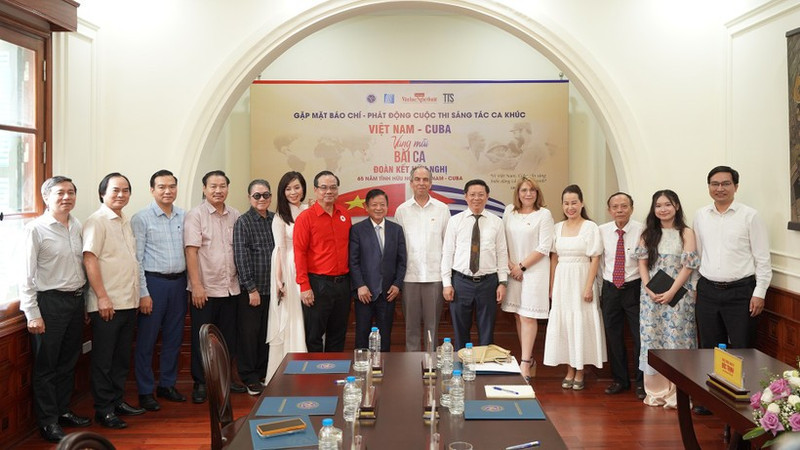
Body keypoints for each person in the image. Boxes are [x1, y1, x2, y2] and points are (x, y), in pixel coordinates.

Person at [692, 166, 771, 416]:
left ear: (736, 187)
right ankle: (709, 399)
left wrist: (759, 292)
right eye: (715, 184)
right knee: (709, 347)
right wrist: (696, 286)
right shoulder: (700, 215)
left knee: (741, 348)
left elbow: (762, 258)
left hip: (741, 292)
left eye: (726, 184)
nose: (720, 188)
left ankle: (739, 401)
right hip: (707, 290)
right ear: (708, 187)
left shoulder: (750, 216)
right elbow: (698, 254)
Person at [21, 176, 91, 442]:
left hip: (75, 301)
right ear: (46, 197)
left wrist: (83, 302)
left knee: (68, 361)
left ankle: (63, 410)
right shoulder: (36, 229)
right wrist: (32, 313)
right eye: (60, 193)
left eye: (71, 192)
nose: (67, 197)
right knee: (46, 366)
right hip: (48, 303)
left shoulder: (77, 225)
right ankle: (48, 422)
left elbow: (81, 268)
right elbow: (25, 276)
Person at [83, 173, 145, 428]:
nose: (121, 195)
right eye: (115, 190)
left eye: (126, 190)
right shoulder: (96, 221)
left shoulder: (125, 220)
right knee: (103, 360)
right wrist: (102, 297)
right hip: (107, 303)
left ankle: (118, 400)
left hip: (128, 301)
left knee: (121, 358)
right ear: (102, 193)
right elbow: (90, 259)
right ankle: (104, 409)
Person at [635, 189, 699, 408]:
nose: (663, 209)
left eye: (668, 205)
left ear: (677, 206)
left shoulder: (686, 233)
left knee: (677, 339)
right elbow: (642, 263)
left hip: (680, 295)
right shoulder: (647, 234)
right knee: (653, 338)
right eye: (658, 205)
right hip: (651, 296)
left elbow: (688, 266)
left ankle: (677, 394)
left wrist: (672, 291)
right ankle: (656, 391)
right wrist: (648, 288)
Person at [184, 170, 243, 403]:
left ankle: (225, 380)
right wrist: (196, 285)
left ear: (228, 188)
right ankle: (201, 382)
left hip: (231, 288)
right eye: (213, 186)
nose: (218, 190)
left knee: (228, 337)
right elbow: (191, 251)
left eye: (222, 186)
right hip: (205, 290)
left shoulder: (235, 215)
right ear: (204, 189)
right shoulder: (195, 215)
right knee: (203, 338)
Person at [131, 170, 187, 412]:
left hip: (178, 284)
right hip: (153, 284)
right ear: (152, 190)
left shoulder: (184, 216)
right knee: (147, 340)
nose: (168, 191)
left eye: (172, 186)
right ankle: (145, 391)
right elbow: (137, 259)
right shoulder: (141, 218)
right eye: (162, 187)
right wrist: (143, 292)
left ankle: (167, 384)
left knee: (174, 338)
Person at [543, 184, 606, 391]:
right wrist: (552, 287)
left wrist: (588, 288)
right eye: (566, 203)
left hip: (582, 278)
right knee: (566, 325)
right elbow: (554, 259)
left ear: (581, 203)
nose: (570, 207)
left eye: (574, 203)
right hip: (563, 280)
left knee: (580, 323)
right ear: (562, 205)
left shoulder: (590, 227)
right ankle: (569, 369)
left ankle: (580, 371)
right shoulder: (557, 228)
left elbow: (595, 259)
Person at [441, 179, 509, 350]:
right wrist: (447, 284)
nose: (476, 198)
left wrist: (502, 282)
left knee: (487, 332)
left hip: (488, 282)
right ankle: (461, 369)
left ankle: (485, 370)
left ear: (487, 197)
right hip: (461, 282)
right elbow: (448, 253)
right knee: (460, 331)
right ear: (465, 197)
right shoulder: (455, 221)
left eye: (481, 195)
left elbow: (502, 253)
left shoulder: (496, 222)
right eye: (472, 195)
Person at [501, 176, 554, 382]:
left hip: (534, 271)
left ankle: (524, 363)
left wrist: (522, 266)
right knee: (517, 314)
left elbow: (544, 246)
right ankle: (529, 358)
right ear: (518, 193)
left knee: (528, 317)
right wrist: (512, 266)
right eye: (524, 190)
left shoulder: (544, 214)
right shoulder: (509, 212)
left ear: (537, 193)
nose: (528, 194)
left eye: (532, 190)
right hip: (512, 270)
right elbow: (501, 241)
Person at [293, 170, 352, 352]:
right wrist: (304, 286)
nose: (329, 191)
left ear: (338, 190)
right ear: (316, 190)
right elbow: (299, 252)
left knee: (338, 334)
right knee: (314, 335)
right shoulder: (306, 218)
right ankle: (316, 379)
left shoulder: (344, 215)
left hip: (343, 284)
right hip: (318, 284)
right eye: (324, 187)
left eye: (333, 187)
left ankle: (334, 377)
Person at [394, 165, 450, 351]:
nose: (421, 183)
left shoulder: (442, 209)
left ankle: (430, 366)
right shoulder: (402, 210)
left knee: (432, 328)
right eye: (417, 179)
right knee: (410, 328)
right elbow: (398, 247)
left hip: (435, 278)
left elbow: (448, 246)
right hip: (409, 278)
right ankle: (412, 367)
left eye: (425, 179)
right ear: (411, 183)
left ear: (431, 183)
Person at [598, 192, 645, 399]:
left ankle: (642, 383)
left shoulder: (643, 231)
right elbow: (599, 263)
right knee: (614, 336)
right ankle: (620, 380)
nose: (619, 210)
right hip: (610, 289)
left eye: (624, 206)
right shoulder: (601, 231)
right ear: (609, 210)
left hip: (634, 288)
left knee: (640, 337)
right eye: (615, 207)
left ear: (631, 208)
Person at [349, 188, 407, 351]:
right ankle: (361, 370)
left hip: (388, 293)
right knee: (362, 336)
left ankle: (383, 370)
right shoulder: (357, 229)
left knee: (385, 337)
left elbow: (402, 261)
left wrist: (397, 285)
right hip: (364, 294)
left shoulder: (396, 230)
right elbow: (353, 261)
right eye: (374, 205)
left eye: (382, 204)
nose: (378, 208)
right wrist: (360, 285)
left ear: (388, 206)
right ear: (366, 207)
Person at [265, 172, 308, 382]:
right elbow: (280, 249)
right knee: (292, 316)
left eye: (297, 187)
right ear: (283, 192)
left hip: (307, 265)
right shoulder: (280, 216)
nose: (293, 192)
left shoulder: (308, 210)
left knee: (305, 315)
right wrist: (279, 281)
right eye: (288, 189)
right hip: (288, 267)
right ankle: (286, 373)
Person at [233, 179, 275, 395]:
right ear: (249, 197)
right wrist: (251, 289)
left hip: (274, 290)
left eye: (265, 195)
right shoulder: (243, 221)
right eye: (257, 195)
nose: (262, 199)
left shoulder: (275, 219)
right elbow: (241, 257)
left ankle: (261, 373)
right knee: (249, 335)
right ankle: (249, 377)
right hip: (253, 291)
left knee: (266, 335)